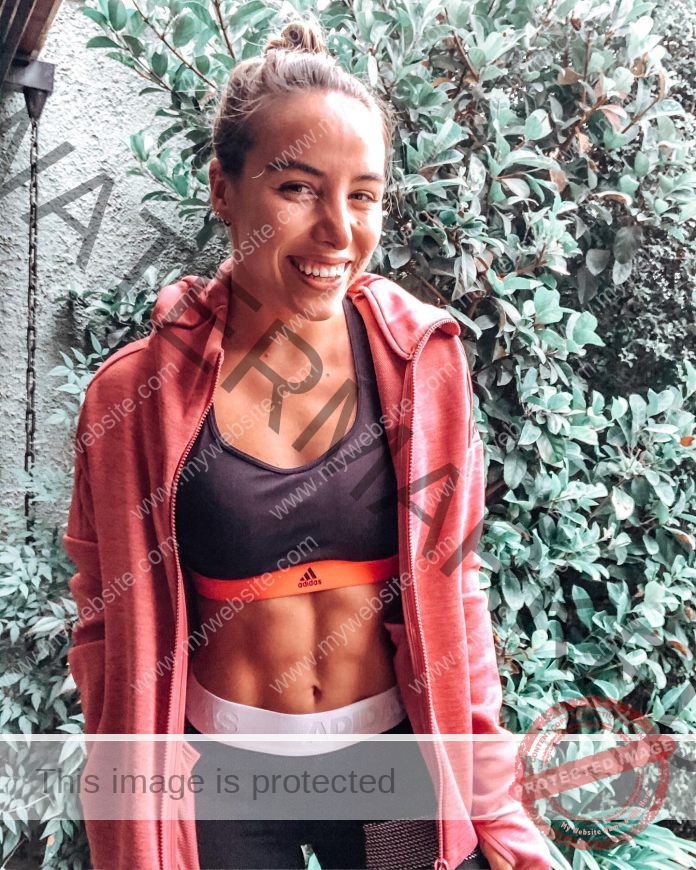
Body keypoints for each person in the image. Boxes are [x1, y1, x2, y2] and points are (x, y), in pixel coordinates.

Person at [63, 16, 553, 870]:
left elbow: (456, 596)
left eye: (362, 195)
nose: (338, 232)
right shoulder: (132, 398)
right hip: (220, 775)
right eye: (297, 189)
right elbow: (106, 627)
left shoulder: (422, 367)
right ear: (223, 189)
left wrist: (492, 798)